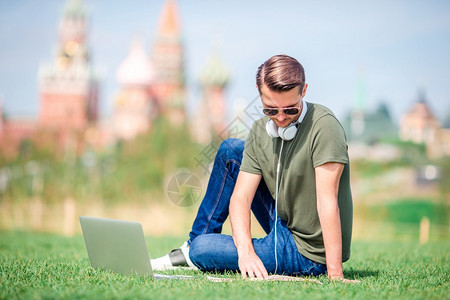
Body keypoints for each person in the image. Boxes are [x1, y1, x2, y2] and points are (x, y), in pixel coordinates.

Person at [152, 54, 358, 282]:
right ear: (259, 93)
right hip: (283, 222)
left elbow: (327, 202)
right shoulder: (261, 131)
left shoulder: (324, 126)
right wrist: (246, 253)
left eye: (290, 110)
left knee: (202, 249)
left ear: (304, 91)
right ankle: (189, 251)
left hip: (307, 252)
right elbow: (240, 198)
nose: (280, 118)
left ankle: (193, 253)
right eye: (270, 110)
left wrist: (335, 273)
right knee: (231, 150)